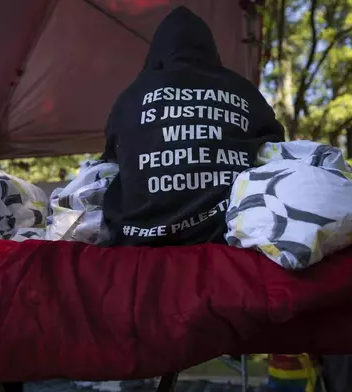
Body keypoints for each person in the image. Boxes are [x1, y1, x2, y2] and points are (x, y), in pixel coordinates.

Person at [101, 6, 285, 246]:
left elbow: (110, 159)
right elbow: (277, 147)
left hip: (139, 237)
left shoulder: (132, 96)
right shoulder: (242, 89)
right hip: (226, 232)